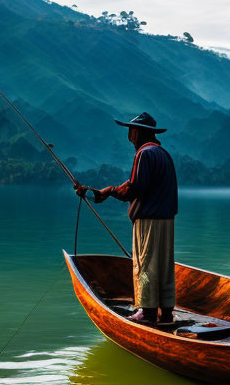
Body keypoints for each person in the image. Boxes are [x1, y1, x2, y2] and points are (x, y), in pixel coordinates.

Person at [75, 112, 178, 325]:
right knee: (163, 266)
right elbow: (137, 183)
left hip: (148, 219)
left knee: (146, 264)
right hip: (167, 220)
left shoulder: (144, 154)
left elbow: (135, 188)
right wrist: (106, 192)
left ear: (138, 132)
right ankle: (166, 314)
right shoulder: (163, 154)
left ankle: (147, 313)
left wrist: (111, 191)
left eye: (130, 130)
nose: (129, 135)